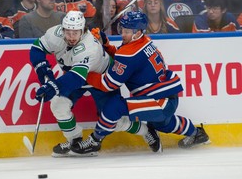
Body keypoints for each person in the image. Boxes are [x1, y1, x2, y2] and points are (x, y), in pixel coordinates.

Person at [68, 11, 210, 155]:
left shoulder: (130, 53)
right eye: (122, 30)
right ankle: (197, 134)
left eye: (127, 31)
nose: (123, 34)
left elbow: (109, 84)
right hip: (168, 98)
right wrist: (106, 44)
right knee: (163, 123)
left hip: (159, 102)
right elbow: (123, 56)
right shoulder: (144, 41)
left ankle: (94, 141)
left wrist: (84, 73)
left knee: (114, 106)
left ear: (138, 32)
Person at [30, 10, 162, 157]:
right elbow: (37, 48)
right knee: (58, 105)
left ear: (83, 30)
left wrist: (52, 87)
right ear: (62, 29)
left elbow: (76, 78)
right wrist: (43, 70)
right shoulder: (55, 34)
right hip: (76, 77)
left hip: (101, 79)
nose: (71, 37)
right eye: (68, 32)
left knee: (114, 120)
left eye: (75, 33)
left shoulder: (89, 47)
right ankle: (75, 142)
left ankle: (146, 131)